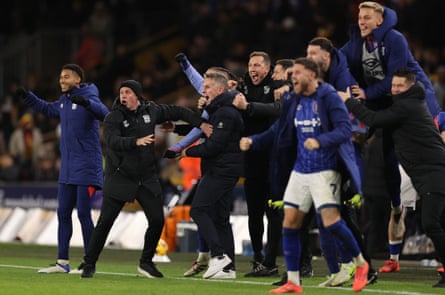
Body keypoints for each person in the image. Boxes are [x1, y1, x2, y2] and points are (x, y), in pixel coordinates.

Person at [241, 57, 369, 294]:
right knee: (289, 222)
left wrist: (319, 141)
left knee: (331, 222)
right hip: (300, 170)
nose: (292, 77)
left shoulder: (329, 97)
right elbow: (277, 130)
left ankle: (360, 264)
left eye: (297, 73)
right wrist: (254, 141)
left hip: (326, 169)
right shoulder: (292, 99)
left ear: (312, 75)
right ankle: (293, 281)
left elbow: (344, 130)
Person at [340, 1, 442, 273]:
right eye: (360, 17)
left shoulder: (394, 39)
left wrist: (362, 95)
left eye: (367, 18)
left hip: (410, 110)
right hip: (387, 109)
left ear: (380, 20)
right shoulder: (358, 43)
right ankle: (393, 256)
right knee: (394, 189)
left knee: (428, 178)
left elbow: (396, 82)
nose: (361, 21)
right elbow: (341, 61)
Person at [80, 79, 208, 278]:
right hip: (120, 176)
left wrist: (201, 123)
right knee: (105, 222)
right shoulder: (114, 116)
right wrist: (135, 141)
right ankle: (89, 264)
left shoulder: (152, 110)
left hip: (146, 176)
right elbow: (111, 141)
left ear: (137, 96)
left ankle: (146, 263)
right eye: (121, 92)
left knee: (157, 220)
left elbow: (180, 112)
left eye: (128, 92)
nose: (123, 95)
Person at [339, 68, 445, 288]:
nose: (395, 89)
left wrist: (349, 101)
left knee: (431, 223)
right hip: (427, 173)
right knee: (435, 222)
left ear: (410, 86)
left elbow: (373, 118)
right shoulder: (408, 103)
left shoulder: (407, 106)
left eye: (400, 86)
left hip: (434, 172)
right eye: (393, 85)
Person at [15, 64, 109, 273]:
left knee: (84, 214)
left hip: (86, 167)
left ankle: (89, 263)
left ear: (78, 79)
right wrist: (28, 97)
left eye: (66, 77)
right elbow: (48, 109)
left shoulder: (90, 96)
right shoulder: (65, 101)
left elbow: (105, 114)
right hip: (67, 168)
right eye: (60, 77)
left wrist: (86, 103)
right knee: (63, 213)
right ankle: (62, 262)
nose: (61, 80)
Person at [306, 36, 378, 286]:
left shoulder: (344, 80)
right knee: (328, 214)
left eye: (313, 53)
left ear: (326, 56)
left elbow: (356, 125)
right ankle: (346, 266)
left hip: (346, 155)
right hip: (329, 154)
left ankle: (361, 266)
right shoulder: (326, 79)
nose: (309, 57)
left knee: (339, 215)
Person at [178, 72, 244, 279]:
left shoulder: (226, 112)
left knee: (198, 210)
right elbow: (205, 130)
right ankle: (228, 269)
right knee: (220, 218)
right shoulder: (218, 110)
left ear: (220, 90)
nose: (203, 91)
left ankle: (218, 256)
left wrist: (187, 151)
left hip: (222, 170)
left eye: (207, 87)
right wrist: (180, 130)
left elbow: (214, 145)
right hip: (223, 169)